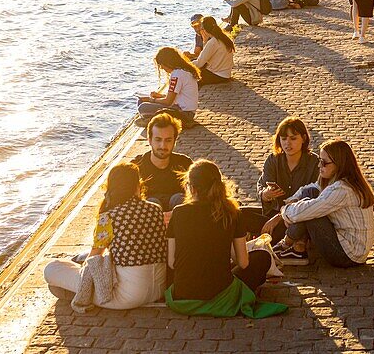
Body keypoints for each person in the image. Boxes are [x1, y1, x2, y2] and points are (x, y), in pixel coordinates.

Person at [165, 160, 287, 318]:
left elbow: (171, 263)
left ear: (191, 187)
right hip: (219, 295)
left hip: (183, 296)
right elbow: (242, 262)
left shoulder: (178, 212)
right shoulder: (230, 212)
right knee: (262, 257)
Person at [43, 162, 167, 309]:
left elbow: (94, 258)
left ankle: (79, 292)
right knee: (59, 283)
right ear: (137, 186)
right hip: (158, 289)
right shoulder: (156, 209)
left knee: (51, 269)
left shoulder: (109, 217)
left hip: (128, 296)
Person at [263, 140, 374, 268]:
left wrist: (283, 211)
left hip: (348, 255)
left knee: (309, 212)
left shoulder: (341, 190)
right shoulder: (340, 180)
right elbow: (308, 189)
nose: (319, 166)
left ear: (339, 164)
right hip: (351, 246)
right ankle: (297, 250)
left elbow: (306, 210)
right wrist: (291, 202)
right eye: (319, 161)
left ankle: (285, 245)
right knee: (309, 194)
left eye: (324, 162)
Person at [134, 114, 192, 212]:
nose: (163, 145)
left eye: (168, 140)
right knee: (151, 203)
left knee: (179, 199)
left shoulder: (185, 164)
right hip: (148, 221)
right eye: (158, 139)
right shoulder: (136, 167)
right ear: (150, 140)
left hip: (179, 220)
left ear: (175, 141)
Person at [136, 48, 200, 125]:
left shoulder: (177, 75)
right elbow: (175, 97)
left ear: (167, 62)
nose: (162, 68)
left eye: (161, 65)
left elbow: (168, 101)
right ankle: (150, 119)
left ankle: (151, 120)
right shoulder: (184, 71)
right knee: (141, 102)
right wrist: (159, 96)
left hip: (183, 113)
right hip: (186, 111)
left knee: (142, 107)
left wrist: (151, 99)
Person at [192, 16, 234, 86]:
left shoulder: (213, 42)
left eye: (202, 29)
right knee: (194, 61)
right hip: (226, 73)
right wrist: (205, 41)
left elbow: (200, 63)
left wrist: (186, 65)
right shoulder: (224, 38)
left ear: (205, 30)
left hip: (217, 75)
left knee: (190, 73)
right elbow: (205, 56)